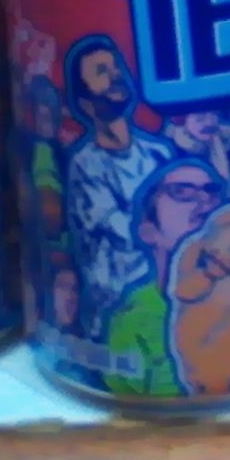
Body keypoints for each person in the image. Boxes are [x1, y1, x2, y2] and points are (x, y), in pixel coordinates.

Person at [62, 36, 171, 338]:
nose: (115, 76)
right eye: (101, 72)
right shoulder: (85, 165)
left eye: (115, 68)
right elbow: (124, 232)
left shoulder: (158, 154)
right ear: (84, 103)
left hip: (165, 301)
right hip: (115, 313)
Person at [103, 157, 226, 398]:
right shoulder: (133, 318)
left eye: (211, 192)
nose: (204, 202)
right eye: (181, 191)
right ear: (148, 231)